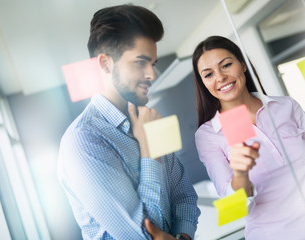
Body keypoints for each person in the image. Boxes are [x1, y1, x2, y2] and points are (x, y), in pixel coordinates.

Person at [57, 4, 200, 240]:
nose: (152, 74)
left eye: (152, 63)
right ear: (105, 63)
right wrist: (149, 150)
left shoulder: (152, 120)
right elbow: (143, 234)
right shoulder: (82, 140)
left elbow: (185, 195)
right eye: (140, 62)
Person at [192, 35, 305, 239]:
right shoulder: (208, 135)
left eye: (226, 65)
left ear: (242, 64)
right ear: (203, 84)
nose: (220, 77)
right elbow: (235, 208)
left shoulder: (286, 106)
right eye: (208, 75)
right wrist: (240, 173)